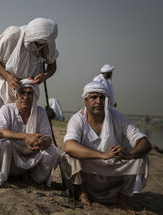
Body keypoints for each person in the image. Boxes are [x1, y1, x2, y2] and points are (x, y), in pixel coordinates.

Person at [61, 81, 151, 210]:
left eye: (102, 97)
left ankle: (123, 198)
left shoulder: (117, 117)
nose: (98, 101)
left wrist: (129, 155)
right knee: (67, 157)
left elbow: (144, 143)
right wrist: (102, 155)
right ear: (85, 100)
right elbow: (69, 146)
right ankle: (82, 193)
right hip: (89, 172)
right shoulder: (77, 119)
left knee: (141, 158)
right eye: (94, 97)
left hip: (113, 169)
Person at [0, 17, 59, 151]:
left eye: (41, 44)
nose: (39, 46)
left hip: (24, 91)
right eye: (37, 43)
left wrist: (45, 75)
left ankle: (11, 164)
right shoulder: (13, 35)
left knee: (13, 128)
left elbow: (52, 66)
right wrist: (7, 76)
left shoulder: (48, 42)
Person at [0, 79, 60, 185]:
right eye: (22, 93)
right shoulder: (6, 109)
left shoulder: (40, 112)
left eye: (29, 93)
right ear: (17, 95)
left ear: (34, 95)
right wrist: (24, 136)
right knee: (5, 144)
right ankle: (3, 179)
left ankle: (33, 180)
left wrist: (41, 143)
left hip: (30, 158)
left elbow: (48, 137)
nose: (25, 97)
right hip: (10, 158)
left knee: (53, 151)